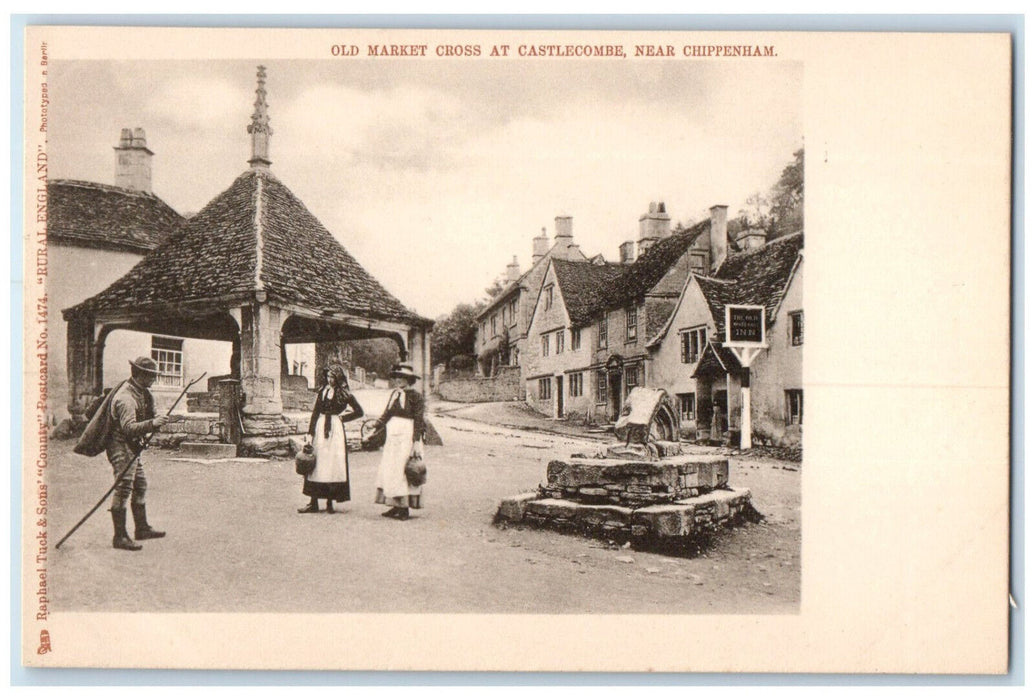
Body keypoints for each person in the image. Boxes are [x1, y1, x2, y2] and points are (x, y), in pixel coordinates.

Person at [106, 357, 170, 551]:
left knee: (140, 484)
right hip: (119, 444)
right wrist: (152, 424)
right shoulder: (126, 398)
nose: (153, 380)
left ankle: (141, 528)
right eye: (151, 376)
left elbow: (147, 417)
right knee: (124, 487)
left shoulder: (142, 393)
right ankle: (120, 537)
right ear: (140, 375)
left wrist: (153, 421)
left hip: (132, 444)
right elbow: (128, 428)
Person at [299, 365, 364, 514]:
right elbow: (315, 412)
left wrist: (342, 418)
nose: (330, 380)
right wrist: (310, 433)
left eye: (332, 377)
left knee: (332, 464)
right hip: (321, 427)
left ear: (338, 378)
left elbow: (359, 412)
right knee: (317, 463)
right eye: (328, 377)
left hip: (335, 430)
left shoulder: (344, 393)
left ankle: (329, 501)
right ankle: (313, 502)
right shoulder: (323, 391)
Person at [372, 363, 425, 521]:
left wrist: (416, 441)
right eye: (397, 377)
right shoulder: (394, 394)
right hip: (392, 435)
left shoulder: (416, 396)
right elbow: (387, 414)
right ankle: (394, 505)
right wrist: (376, 426)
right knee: (391, 468)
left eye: (402, 378)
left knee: (403, 469)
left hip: (407, 435)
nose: (398, 381)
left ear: (409, 380)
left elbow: (418, 419)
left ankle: (404, 509)